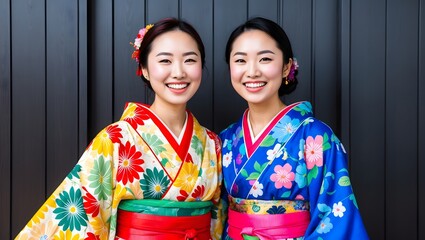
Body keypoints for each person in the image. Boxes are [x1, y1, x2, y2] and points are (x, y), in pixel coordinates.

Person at [15, 17, 223, 240]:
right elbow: (87, 216)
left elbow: (217, 222)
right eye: (165, 61)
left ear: (201, 65)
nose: (179, 72)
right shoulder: (115, 140)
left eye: (190, 60)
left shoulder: (211, 143)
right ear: (144, 68)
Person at [219, 17, 369, 239]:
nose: (252, 72)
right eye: (240, 60)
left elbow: (335, 220)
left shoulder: (316, 138)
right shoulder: (226, 139)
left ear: (286, 67)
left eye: (265, 59)